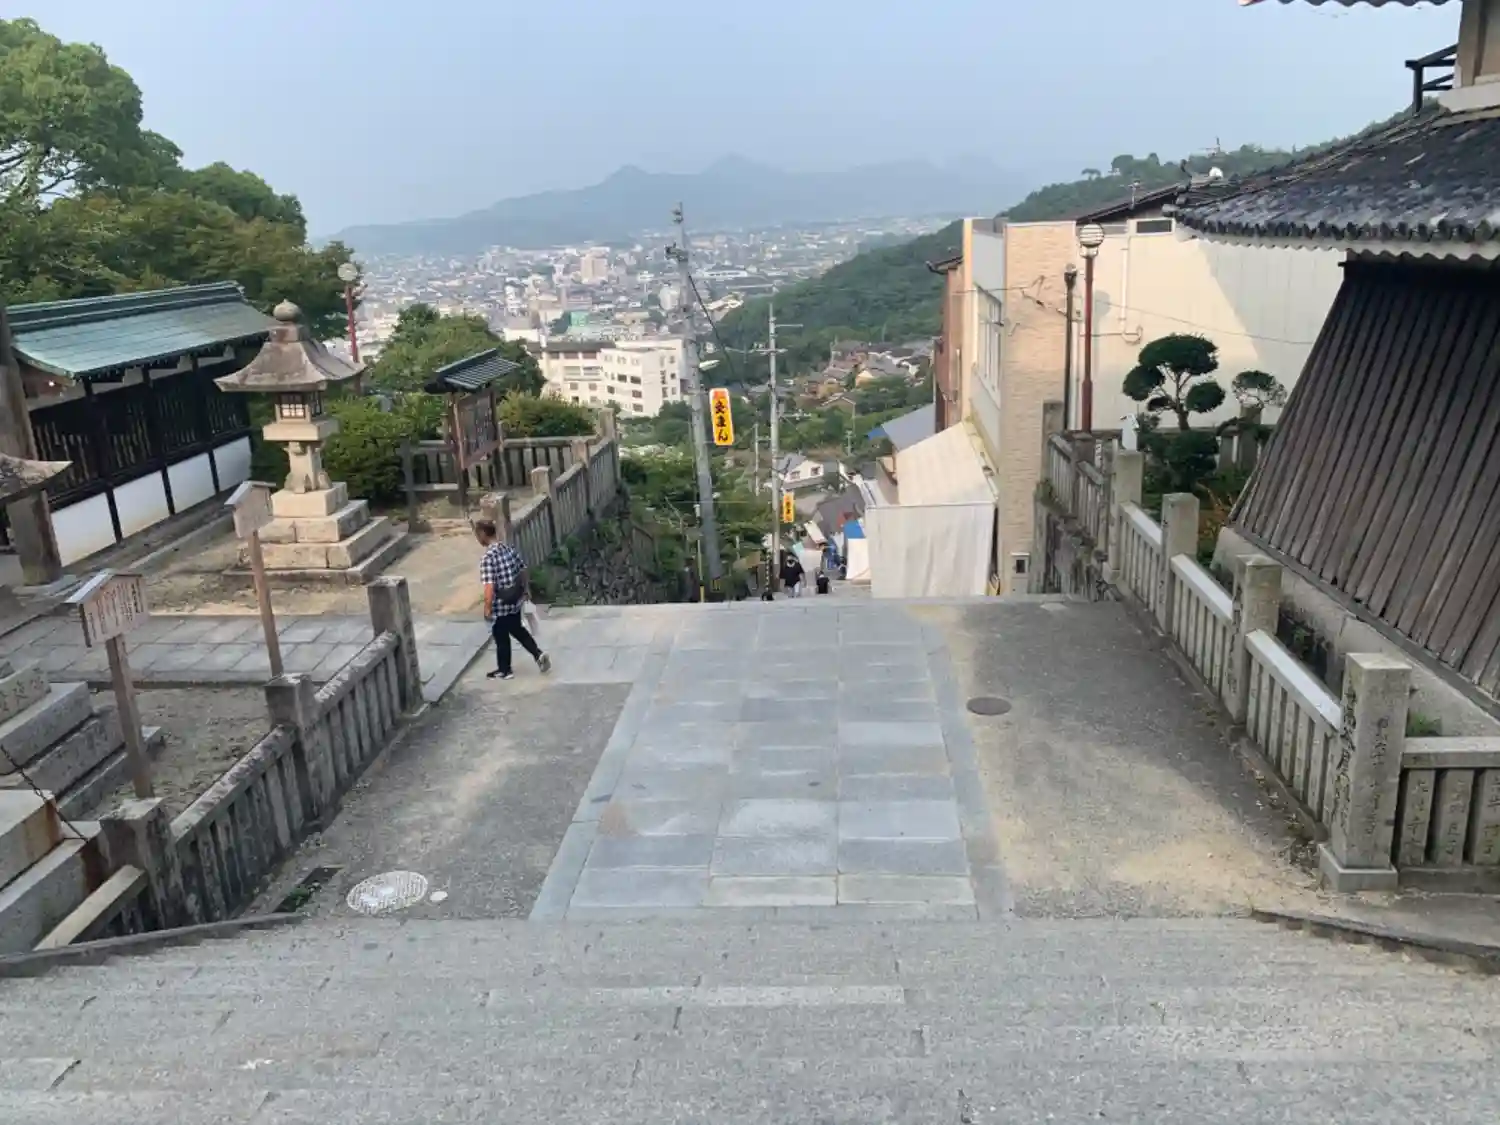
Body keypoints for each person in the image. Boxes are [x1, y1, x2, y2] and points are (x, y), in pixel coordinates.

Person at [476, 519, 551, 681]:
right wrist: (526, 590)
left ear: (483, 534)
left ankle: (505, 670)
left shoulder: (488, 558)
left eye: (478, 535)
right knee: (517, 630)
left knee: (501, 637)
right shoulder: (508, 549)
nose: (478, 539)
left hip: (499, 605)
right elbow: (523, 570)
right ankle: (538, 654)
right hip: (514, 601)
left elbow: (489, 587)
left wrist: (487, 608)